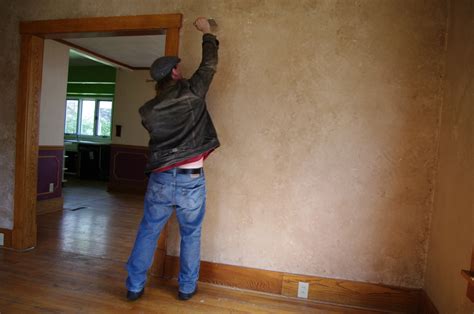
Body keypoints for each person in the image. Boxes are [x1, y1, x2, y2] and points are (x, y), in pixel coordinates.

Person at [125, 17, 220, 302]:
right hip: (191, 179)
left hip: (161, 179)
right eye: (178, 66)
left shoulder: (147, 110)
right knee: (190, 234)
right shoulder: (193, 91)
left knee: (149, 231)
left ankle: (133, 287)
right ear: (176, 73)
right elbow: (209, 65)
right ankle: (186, 289)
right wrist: (208, 34)